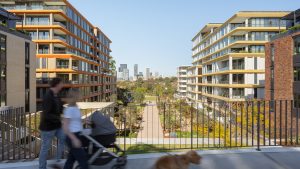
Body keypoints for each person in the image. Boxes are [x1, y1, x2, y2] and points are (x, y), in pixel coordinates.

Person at [39, 78, 65, 169]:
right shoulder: (48, 96)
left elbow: (61, 109)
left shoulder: (57, 95)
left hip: (57, 126)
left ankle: (57, 160)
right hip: (47, 128)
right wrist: (59, 118)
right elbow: (47, 114)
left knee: (63, 139)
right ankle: (42, 167)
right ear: (57, 84)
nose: (62, 85)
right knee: (45, 148)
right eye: (61, 83)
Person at [63, 89, 88, 169]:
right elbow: (65, 127)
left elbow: (75, 120)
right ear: (75, 96)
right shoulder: (69, 109)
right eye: (79, 94)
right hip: (72, 137)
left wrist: (85, 121)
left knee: (71, 160)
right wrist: (74, 139)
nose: (81, 95)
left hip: (77, 135)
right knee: (83, 160)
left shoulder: (75, 107)